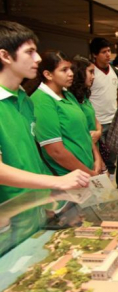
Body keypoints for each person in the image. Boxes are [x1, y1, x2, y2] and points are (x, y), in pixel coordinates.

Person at [0, 21, 89, 204]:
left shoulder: (24, 98)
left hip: (33, 204)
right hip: (8, 210)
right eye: (29, 52)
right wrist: (57, 182)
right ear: (5, 56)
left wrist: (49, 197)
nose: (38, 58)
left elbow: (32, 156)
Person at [31, 51, 103, 177]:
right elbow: (55, 151)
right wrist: (90, 173)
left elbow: (84, 132)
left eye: (70, 69)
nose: (71, 74)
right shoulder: (42, 101)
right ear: (48, 74)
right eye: (64, 70)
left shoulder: (68, 94)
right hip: (67, 175)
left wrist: (97, 159)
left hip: (88, 168)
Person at [89, 37, 118, 175]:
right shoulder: (91, 72)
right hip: (97, 124)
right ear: (95, 55)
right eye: (104, 52)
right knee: (97, 160)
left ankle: (111, 187)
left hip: (113, 122)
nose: (108, 54)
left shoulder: (116, 71)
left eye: (109, 51)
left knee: (112, 159)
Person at [69, 56, 102, 146]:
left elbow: (95, 120)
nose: (93, 77)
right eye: (91, 72)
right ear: (80, 73)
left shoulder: (84, 97)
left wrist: (98, 132)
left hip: (93, 146)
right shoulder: (69, 98)